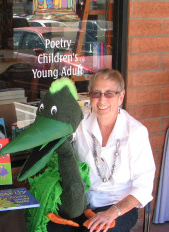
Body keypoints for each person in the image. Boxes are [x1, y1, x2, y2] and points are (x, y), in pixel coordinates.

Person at [71, 68, 156, 232]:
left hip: (119, 207)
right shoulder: (79, 122)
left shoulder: (136, 132)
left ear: (121, 97)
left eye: (109, 93)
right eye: (96, 93)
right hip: (82, 203)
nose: (102, 100)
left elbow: (143, 187)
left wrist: (111, 213)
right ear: (89, 96)